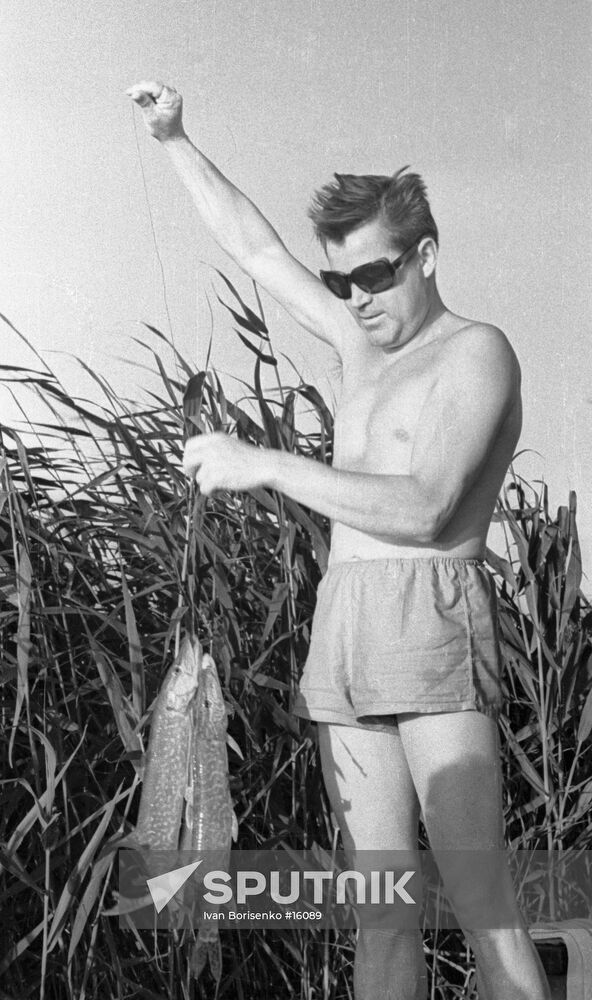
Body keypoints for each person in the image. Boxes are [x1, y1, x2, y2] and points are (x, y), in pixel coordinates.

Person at [127, 81, 551, 1000]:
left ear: (426, 255)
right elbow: (253, 246)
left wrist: (268, 465)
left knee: (481, 903)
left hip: (432, 614)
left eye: (374, 276)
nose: (355, 300)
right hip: (345, 626)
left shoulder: (477, 351)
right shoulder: (358, 347)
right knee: (381, 909)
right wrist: (175, 139)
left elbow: (428, 507)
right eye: (339, 282)